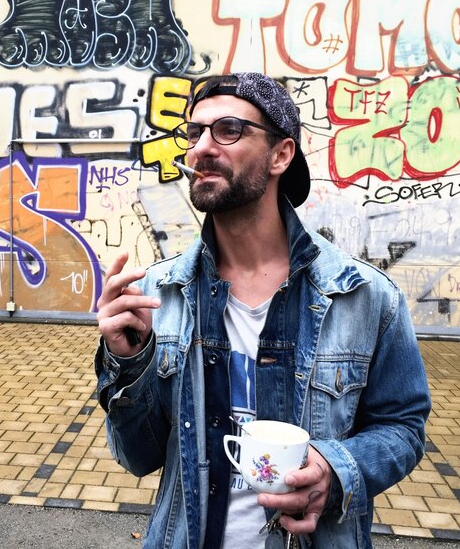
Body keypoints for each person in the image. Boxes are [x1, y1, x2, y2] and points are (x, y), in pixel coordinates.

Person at [95, 72, 431, 549]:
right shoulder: (155, 294)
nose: (201, 149)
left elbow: (403, 427)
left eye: (228, 130)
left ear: (281, 155)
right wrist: (128, 362)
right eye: (194, 133)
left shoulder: (365, 297)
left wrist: (335, 470)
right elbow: (137, 458)